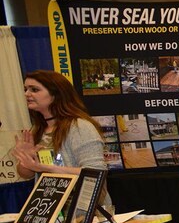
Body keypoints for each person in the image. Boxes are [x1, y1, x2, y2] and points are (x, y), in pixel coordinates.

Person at [15, 70, 112, 207]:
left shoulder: (79, 127)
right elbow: (26, 174)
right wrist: (25, 159)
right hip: (51, 211)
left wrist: (47, 168)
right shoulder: (37, 129)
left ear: (55, 95)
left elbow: (95, 174)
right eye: (26, 89)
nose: (27, 94)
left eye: (34, 89)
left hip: (83, 214)